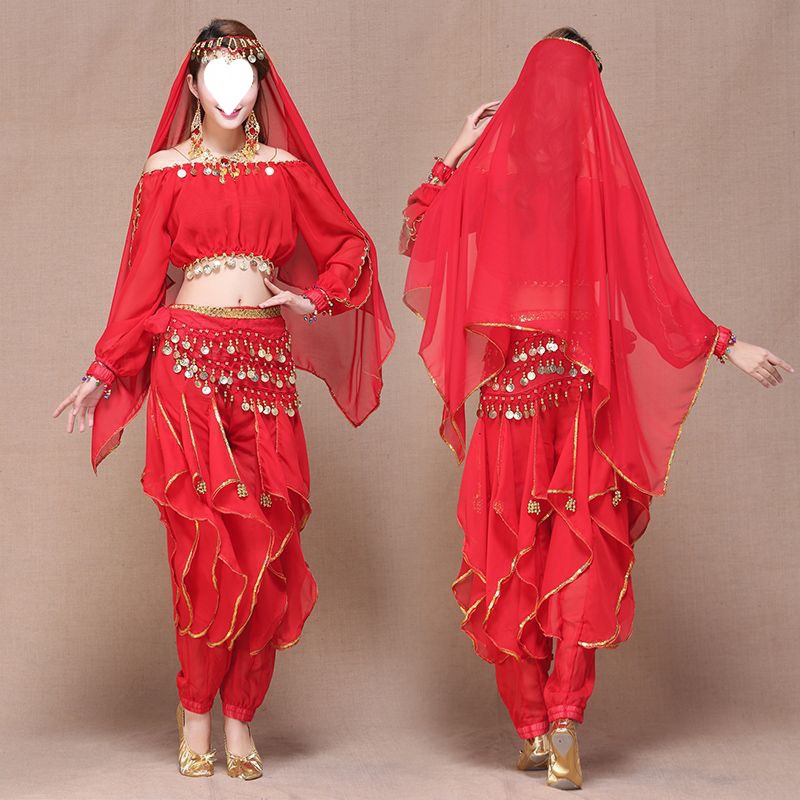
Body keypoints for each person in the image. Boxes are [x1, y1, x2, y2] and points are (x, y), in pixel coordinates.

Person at [399, 26, 791, 790]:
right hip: (570, 404)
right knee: (565, 552)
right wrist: (724, 343)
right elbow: (653, 288)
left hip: (529, 407)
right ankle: (559, 723)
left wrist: (453, 155)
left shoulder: (508, 179)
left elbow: (419, 233)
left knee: (520, 559)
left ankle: (541, 728)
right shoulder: (588, 186)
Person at [53, 18, 394, 780]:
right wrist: (103, 371)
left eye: (246, 76)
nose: (232, 93)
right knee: (201, 551)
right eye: (218, 76)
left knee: (266, 546)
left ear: (261, 85)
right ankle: (198, 711)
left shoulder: (284, 170)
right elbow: (140, 284)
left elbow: (350, 247)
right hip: (188, 367)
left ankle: (241, 715)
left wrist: (315, 298)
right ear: (194, 85)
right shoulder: (166, 171)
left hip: (265, 366)